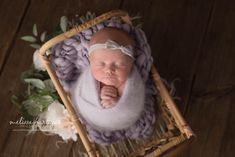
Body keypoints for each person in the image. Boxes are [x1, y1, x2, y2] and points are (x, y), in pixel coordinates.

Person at [72, 27, 146, 132]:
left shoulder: (129, 82)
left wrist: (116, 103)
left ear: (131, 64)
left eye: (119, 64)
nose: (109, 70)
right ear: (91, 62)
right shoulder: (89, 78)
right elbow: (81, 91)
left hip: (119, 119)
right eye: (100, 64)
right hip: (90, 113)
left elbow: (133, 102)